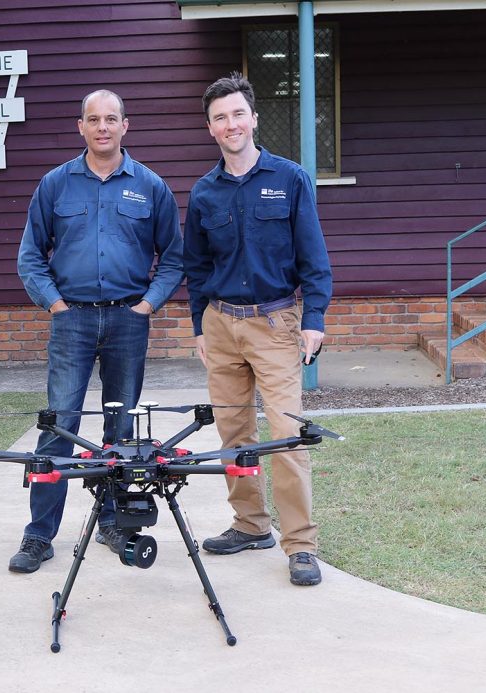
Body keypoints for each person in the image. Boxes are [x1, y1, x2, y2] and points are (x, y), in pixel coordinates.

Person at [11, 89, 184, 573]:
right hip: (74, 321)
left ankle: (112, 521)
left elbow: (173, 258)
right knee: (58, 427)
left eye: (111, 119)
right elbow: (30, 257)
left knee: (120, 431)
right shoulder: (55, 185)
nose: (103, 127)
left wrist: (148, 306)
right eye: (93, 119)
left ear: (126, 126)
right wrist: (57, 307)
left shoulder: (151, 187)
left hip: (129, 320)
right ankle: (38, 535)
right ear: (80, 127)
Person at [183, 72, 333, 586]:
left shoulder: (290, 179)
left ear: (253, 117)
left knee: (286, 437)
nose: (231, 124)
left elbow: (314, 256)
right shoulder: (204, 193)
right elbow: (196, 268)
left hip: (275, 323)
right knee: (233, 433)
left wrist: (314, 319)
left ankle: (301, 546)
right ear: (211, 128)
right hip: (221, 325)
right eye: (220, 117)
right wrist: (199, 327)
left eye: (238, 113)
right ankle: (250, 525)